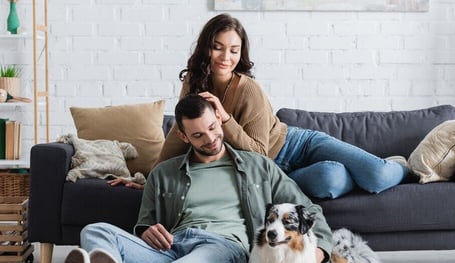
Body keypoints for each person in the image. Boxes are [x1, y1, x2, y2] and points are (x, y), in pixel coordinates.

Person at [58, 94, 333, 263]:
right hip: (171, 246)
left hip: (224, 250)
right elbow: (145, 221)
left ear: (219, 120)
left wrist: (318, 253)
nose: (211, 139)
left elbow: (310, 211)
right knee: (95, 231)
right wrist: (146, 231)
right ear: (184, 137)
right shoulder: (163, 173)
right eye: (198, 135)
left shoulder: (257, 167)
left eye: (213, 128)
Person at [152, 13, 409, 199]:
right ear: (206, 48)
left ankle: (400, 166)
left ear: (241, 53)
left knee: (377, 177)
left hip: (297, 146)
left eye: (234, 50)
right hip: (271, 171)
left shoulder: (248, 89)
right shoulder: (193, 82)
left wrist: (226, 119)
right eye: (217, 48)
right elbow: (180, 133)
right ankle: (353, 174)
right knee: (331, 180)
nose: (225, 57)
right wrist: (149, 178)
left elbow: (260, 151)